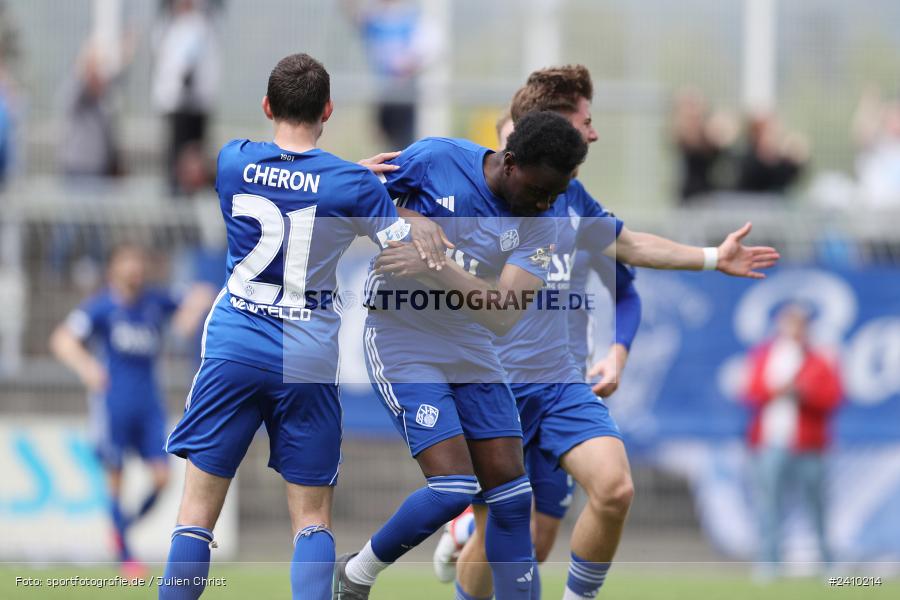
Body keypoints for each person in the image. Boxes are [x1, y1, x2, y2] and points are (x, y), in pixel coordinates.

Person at [437, 65, 780, 600]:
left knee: (612, 491)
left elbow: (629, 251)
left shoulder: (572, 196)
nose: (594, 133)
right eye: (586, 121)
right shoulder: (481, 182)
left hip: (560, 387)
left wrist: (713, 257)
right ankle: (465, 534)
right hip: (493, 387)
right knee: (502, 532)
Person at [160, 53, 409, 600]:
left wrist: (339, 178)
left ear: (268, 106)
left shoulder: (231, 160)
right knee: (312, 521)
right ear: (329, 109)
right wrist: (352, 182)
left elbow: (289, 176)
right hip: (307, 353)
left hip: (234, 343)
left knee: (196, 515)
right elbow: (402, 248)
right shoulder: (352, 186)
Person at [332, 111, 589, 600]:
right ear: (510, 163)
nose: (545, 201)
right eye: (539, 189)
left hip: (472, 344)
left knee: (514, 497)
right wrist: (410, 219)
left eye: (555, 194)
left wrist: (434, 261)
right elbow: (351, 202)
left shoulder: (544, 222)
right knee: (453, 488)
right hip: (400, 334)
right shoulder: (436, 159)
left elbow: (503, 314)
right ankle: (356, 573)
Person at [49, 244, 213, 576]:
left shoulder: (155, 301)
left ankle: (122, 527)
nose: (134, 269)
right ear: (113, 269)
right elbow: (62, 339)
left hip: (149, 406)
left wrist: (184, 322)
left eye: (138, 262)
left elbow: (204, 293)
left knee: (163, 477)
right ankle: (125, 557)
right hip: (113, 406)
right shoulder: (100, 309)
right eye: (127, 262)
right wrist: (88, 369)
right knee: (116, 479)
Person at [744, 303, 842, 576]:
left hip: (809, 445)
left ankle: (828, 564)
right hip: (771, 442)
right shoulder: (765, 356)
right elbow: (750, 391)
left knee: (817, 506)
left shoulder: (819, 359)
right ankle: (770, 564)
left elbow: (833, 396)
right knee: (769, 505)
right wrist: (777, 391)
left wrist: (804, 394)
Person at [152, 0, 220, 195]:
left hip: (192, 106)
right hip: (178, 105)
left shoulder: (198, 25)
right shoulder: (172, 25)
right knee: (177, 167)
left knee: (192, 166)